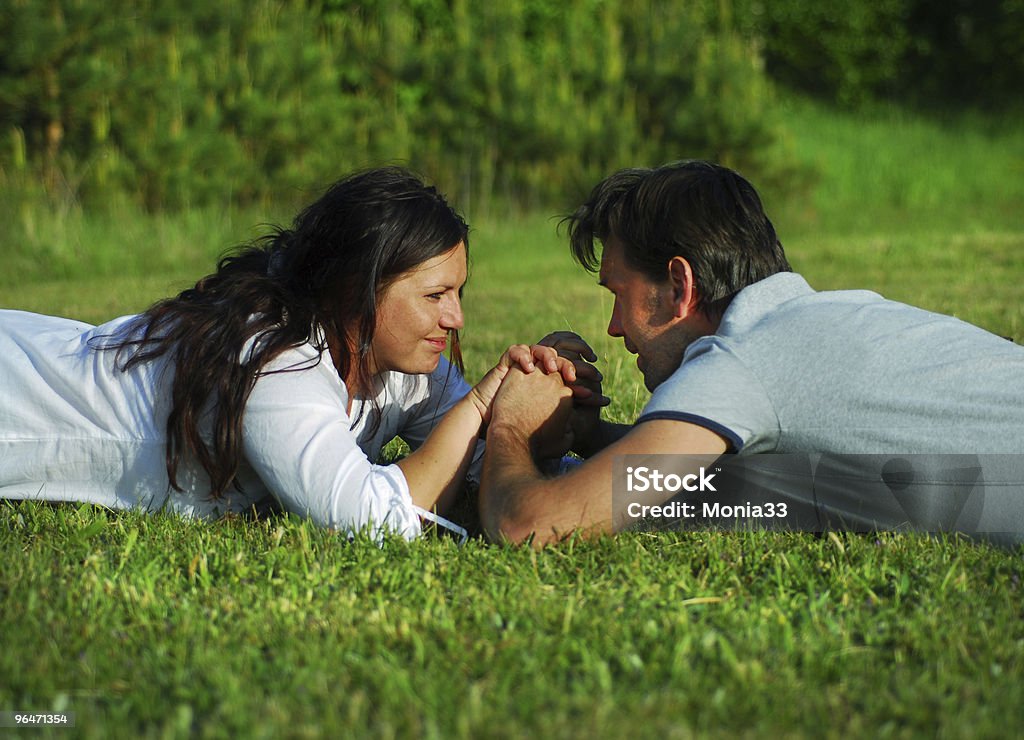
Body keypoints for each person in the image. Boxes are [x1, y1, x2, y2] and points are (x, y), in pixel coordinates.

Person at [0, 167, 576, 540]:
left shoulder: (398, 365)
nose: (456, 319)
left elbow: (479, 464)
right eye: (435, 296)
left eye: (458, 292)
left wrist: (541, 410)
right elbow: (376, 521)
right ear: (358, 291)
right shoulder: (279, 359)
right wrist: (480, 406)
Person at [480, 160, 1024, 545]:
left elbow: (532, 525)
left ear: (679, 284)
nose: (615, 328)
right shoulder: (826, 317)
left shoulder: (744, 362)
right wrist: (590, 433)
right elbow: (695, 471)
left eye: (619, 296)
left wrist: (510, 426)